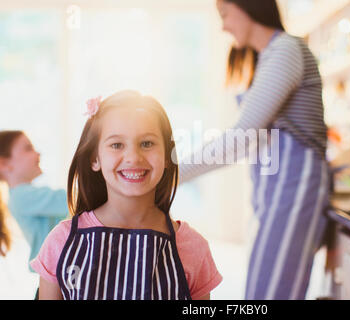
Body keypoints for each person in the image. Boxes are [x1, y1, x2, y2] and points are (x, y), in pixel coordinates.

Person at [178, 0, 331, 300]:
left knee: (271, 294)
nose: (223, 26)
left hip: (294, 189)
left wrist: (173, 174)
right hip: (276, 192)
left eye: (224, 14)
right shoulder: (268, 57)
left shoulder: (286, 50)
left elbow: (241, 138)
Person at [30, 90, 222, 300]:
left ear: (168, 156)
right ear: (95, 159)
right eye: (116, 145)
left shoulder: (193, 248)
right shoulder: (61, 241)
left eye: (147, 143)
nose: (133, 157)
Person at [0, 130, 68, 265]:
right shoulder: (21, 196)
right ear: (4, 165)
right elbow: (69, 201)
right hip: (55, 272)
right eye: (28, 148)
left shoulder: (23, 195)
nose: (38, 153)